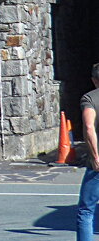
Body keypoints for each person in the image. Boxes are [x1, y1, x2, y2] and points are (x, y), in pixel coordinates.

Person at [78, 63, 99, 241]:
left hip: (98, 165)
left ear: (94, 80)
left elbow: (89, 126)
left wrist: (95, 156)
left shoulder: (90, 98)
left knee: (86, 210)